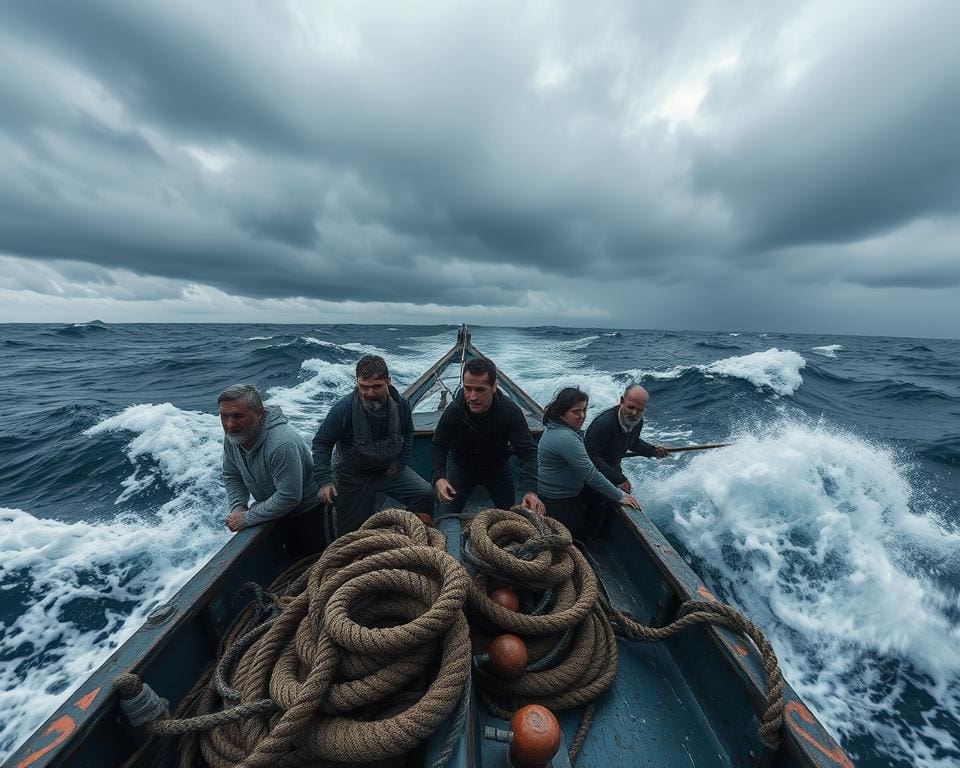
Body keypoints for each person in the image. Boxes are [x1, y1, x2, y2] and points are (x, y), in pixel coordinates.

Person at [311, 354, 433, 536]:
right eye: (363, 387)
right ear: (357, 382)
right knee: (350, 533)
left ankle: (412, 531)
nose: (369, 393)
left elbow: (408, 434)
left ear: (388, 382)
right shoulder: (343, 409)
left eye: (377, 386)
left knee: (426, 494)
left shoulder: (402, 407)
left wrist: (400, 463)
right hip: (352, 476)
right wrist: (324, 480)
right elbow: (321, 442)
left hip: (388, 471)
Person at [431, 357, 544, 515]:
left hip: (496, 467)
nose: (472, 397)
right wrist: (439, 477)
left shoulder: (510, 412)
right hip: (462, 467)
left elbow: (528, 453)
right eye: (467, 388)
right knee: (446, 513)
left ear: (494, 387)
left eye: (480, 390)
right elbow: (439, 445)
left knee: (508, 515)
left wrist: (530, 490)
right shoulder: (454, 411)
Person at [219, 384, 321, 542]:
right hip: (274, 512)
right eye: (224, 416)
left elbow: (289, 497)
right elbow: (232, 474)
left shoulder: (281, 444)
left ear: (259, 413)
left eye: (238, 416)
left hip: (308, 512)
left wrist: (247, 517)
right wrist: (238, 506)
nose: (230, 425)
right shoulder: (233, 438)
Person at [537, 386, 641, 539]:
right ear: (561, 412)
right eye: (575, 411)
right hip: (557, 502)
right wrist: (619, 496)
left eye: (584, 410)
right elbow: (590, 474)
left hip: (560, 496)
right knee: (580, 538)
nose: (582, 416)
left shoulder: (557, 428)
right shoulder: (565, 438)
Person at [584, 383, 668, 495]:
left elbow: (633, 442)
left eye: (640, 410)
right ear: (622, 401)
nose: (635, 413)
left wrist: (653, 451)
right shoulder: (604, 424)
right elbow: (590, 456)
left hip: (612, 466)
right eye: (631, 407)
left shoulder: (637, 421)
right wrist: (619, 480)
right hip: (591, 474)